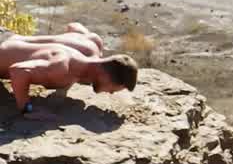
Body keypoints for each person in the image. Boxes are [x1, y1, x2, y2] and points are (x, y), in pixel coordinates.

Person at [0, 36, 138, 116]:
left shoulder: (81, 60)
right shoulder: (62, 67)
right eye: (114, 89)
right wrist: (27, 109)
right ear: (106, 76)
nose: (112, 93)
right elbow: (18, 71)